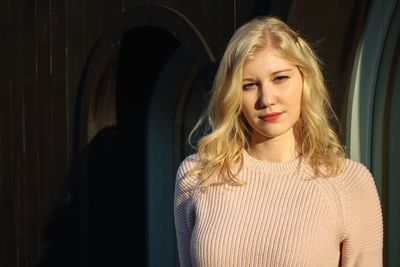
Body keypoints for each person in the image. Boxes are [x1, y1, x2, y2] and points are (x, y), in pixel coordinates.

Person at [174, 16, 383, 267]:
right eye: (249, 85)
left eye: (280, 78)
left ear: (305, 79)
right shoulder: (197, 175)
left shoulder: (348, 183)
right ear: (232, 94)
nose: (266, 98)